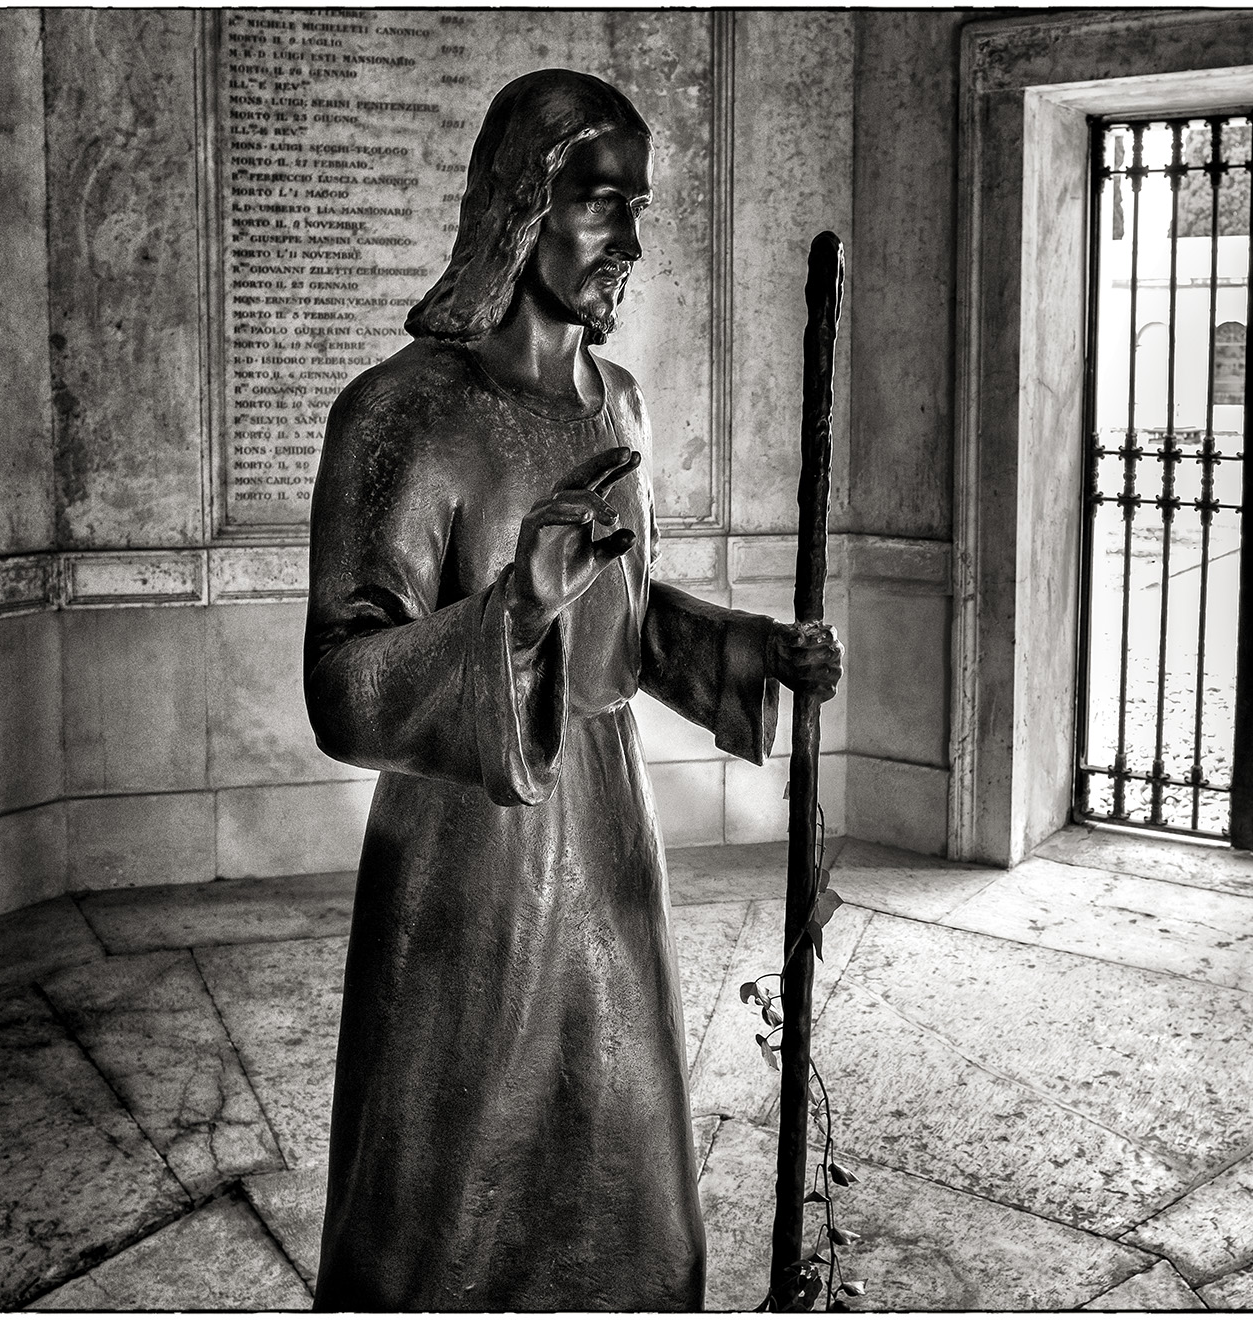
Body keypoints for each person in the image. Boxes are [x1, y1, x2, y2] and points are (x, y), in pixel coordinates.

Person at [302, 68, 841, 1310]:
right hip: (466, 860)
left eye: (638, 208)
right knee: (446, 1198)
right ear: (519, 207)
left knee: (626, 1169)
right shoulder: (403, 414)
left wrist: (756, 649)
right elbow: (342, 684)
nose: (633, 243)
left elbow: (633, 628)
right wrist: (513, 613)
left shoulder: (619, 405)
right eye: (605, 205)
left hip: (607, 837)